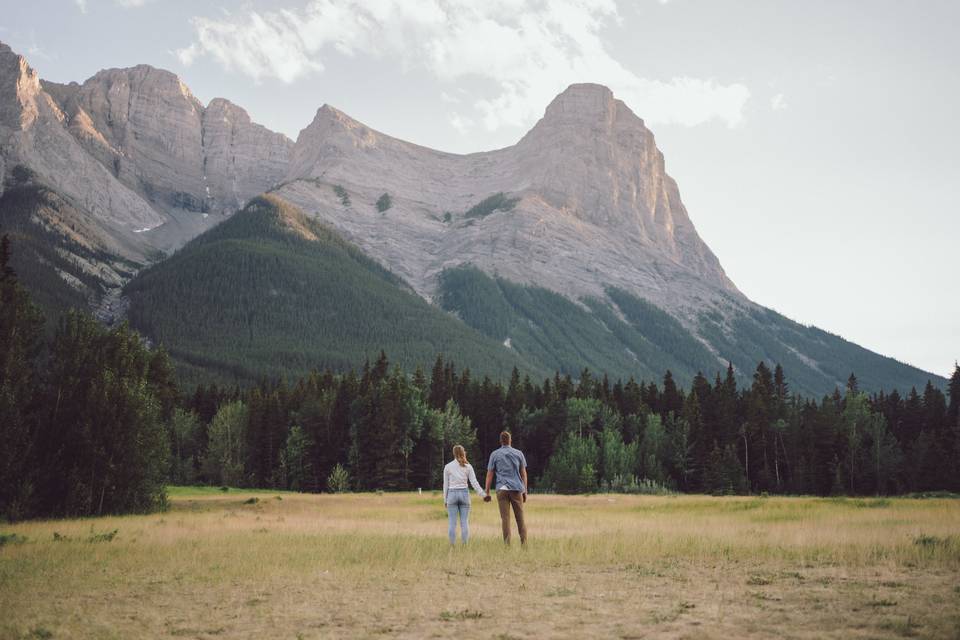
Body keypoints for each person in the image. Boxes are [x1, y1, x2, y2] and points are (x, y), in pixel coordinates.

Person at [484, 431, 528, 545]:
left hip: (502, 489)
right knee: (520, 518)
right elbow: (523, 474)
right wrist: (525, 490)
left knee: (505, 519)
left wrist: (487, 492)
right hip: (516, 488)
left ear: (500, 441)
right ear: (510, 440)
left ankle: (507, 545)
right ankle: (524, 544)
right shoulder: (519, 453)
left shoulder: (494, 454)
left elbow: (490, 474)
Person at [442, 444, 487, 545]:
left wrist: (445, 499)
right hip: (464, 494)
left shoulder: (448, 467)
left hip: (452, 495)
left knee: (452, 523)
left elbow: (445, 485)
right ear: (463, 452)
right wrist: (483, 494)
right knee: (464, 522)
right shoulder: (468, 466)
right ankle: (465, 545)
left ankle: (452, 546)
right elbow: (474, 483)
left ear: (453, 453)